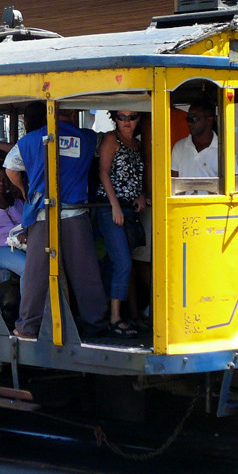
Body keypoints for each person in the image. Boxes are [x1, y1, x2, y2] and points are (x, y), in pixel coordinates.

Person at [4, 108, 108, 340]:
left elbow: (10, 167)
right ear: (73, 115)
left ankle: (28, 328)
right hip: (74, 214)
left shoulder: (29, 140)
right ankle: (96, 325)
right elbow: (106, 140)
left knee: (35, 274)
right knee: (85, 272)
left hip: (42, 214)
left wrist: (24, 189)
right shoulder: (86, 138)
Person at [96, 110, 148, 335]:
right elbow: (103, 173)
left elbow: (138, 177)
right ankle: (115, 318)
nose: (127, 121)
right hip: (110, 209)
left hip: (129, 208)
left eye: (133, 116)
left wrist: (141, 195)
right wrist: (115, 205)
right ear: (114, 118)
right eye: (121, 116)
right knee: (123, 263)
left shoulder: (137, 144)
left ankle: (119, 313)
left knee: (121, 262)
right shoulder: (111, 139)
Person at [170, 101, 236, 193]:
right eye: (188, 118)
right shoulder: (179, 147)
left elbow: (233, 184)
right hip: (184, 205)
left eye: (194, 118)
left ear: (209, 119)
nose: (189, 123)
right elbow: (172, 184)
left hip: (214, 205)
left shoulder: (223, 150)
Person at [0, 165, 26, 284]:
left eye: (5, 180)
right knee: (28, 268)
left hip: (23, 244)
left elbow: (30, 223)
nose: (1, 183)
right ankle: (29, 303)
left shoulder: (18, 202)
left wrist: (26, 233)